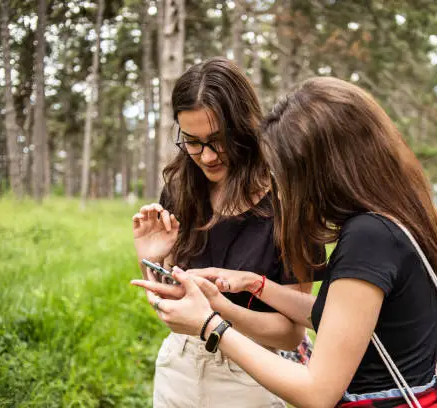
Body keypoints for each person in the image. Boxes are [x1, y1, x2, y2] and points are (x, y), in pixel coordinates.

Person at [132, 76, 437, 408]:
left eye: (291, 172)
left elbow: (316, 392)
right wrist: (255, 284)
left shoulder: (369, 238)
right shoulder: (391, 221)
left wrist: (211, 324)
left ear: (327, 168)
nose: (289, 187)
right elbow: (338, 316)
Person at [131, 57, 321, 408]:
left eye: (218, 140)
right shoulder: (180, 188)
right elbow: (174, 307)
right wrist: (153, 259)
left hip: (252, 377)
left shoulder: (288, 203)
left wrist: (217, 313)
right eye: (192, 141)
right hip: (179, 369)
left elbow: (292, 332)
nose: (206, 157)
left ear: (246, 127)